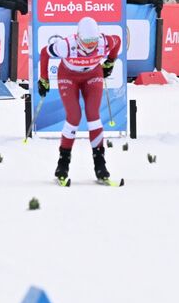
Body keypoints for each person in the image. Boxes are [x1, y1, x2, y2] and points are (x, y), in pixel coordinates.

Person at [36, 16, 124, 184]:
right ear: (78, 37)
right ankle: (63, 162)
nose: (91, 45)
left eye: (93, 41)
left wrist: (110, 62)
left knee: (93, 115)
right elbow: (44, 52)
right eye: (87, 41)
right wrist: (44, 79)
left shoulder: (103, 42)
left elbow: (118, 41)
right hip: (68, 76)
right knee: (74, 116)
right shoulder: (67, 45)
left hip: (92, 75)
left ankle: (100, 164)